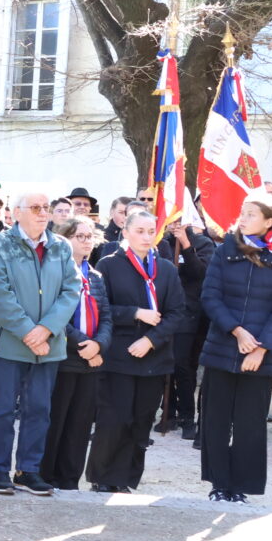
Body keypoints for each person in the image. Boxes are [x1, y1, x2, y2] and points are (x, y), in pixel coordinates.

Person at [197, 195, 272, 502]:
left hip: (262, 354)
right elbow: (210, 297)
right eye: (242, 212)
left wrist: (261, 349)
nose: (243, 218)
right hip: (222, 345)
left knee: (250, 424)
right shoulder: (225, 248)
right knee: (215, 420)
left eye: (251, 214)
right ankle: (219, 485)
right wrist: (237, 332)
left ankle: (240, 487)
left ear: (270, 221)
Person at [0, 191, 80, 496]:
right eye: (35, 207)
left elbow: (71, 289)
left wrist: (47, 329)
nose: (42, 213)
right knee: (2, 408)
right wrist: (28, 332)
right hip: (9, 341)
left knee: (39, 408)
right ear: (17, 212)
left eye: (45, 208)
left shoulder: (61, 247)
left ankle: (28, 470)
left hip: (47, 345)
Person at [87, 208, 184, 493]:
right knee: (115, 419)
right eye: (139, 231)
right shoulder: (108, 264)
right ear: (125, 232)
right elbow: (100, 308)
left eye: (150, 231)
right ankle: (103, 477)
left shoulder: (165, 269)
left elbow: (177, 313)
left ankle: (127, 478)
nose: (145, 236)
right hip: (118, 355)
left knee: (141, 421)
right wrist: (135, 313)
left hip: (154, 357)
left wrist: (152, 340)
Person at [41, 215, 112, 490]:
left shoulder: (95, 276)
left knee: (80, 424)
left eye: (89, 236)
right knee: (56, 420)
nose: (86, 242)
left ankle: (69, 479)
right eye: (79, 236)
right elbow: (55, 316)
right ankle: (46, 475)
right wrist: (84, 345)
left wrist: (100, 345)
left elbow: (106, 315)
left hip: (91, 361)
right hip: (64, 357)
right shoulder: (55, 271)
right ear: (65, 239)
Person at [158, 219, 214, 439]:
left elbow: (200, 273)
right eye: (171, 220)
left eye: (179, 220)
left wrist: (186, 245)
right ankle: (168, 412)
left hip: (189, 313)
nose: (174, 225)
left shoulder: (203, 243)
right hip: (163, 312)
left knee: (182, 365)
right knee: (165, 364)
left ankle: (187, 416)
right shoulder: (162, 243)